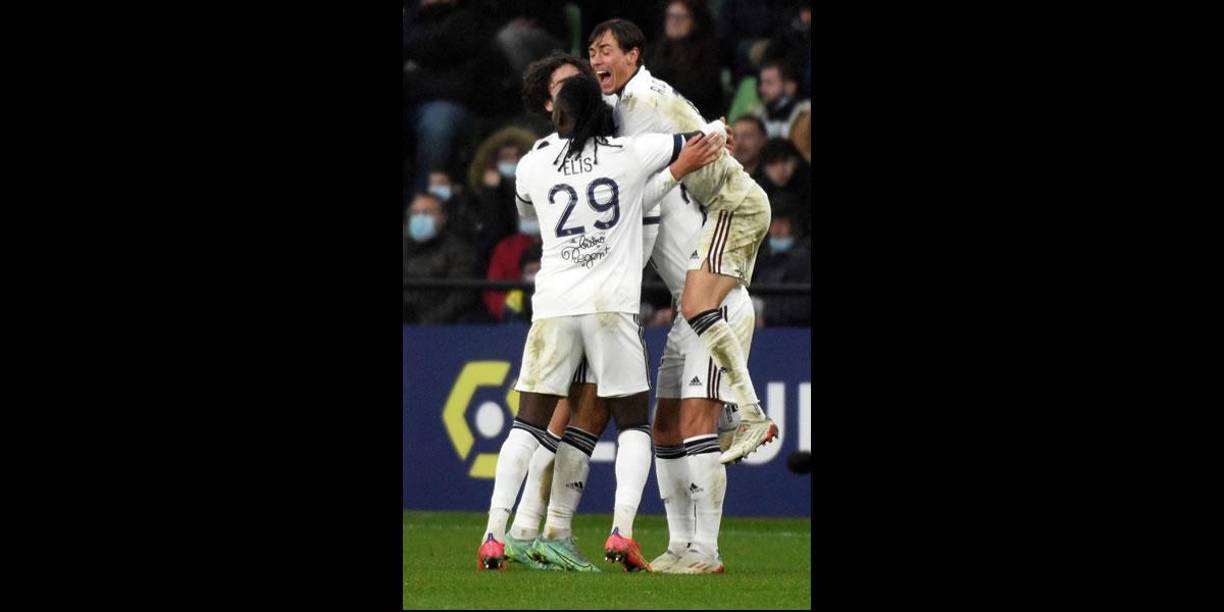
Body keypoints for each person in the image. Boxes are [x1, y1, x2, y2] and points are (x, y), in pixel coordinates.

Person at [477, 73, 722, 572]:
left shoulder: (535, 161)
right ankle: (621, 533)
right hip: (611, 308)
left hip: (553, 308)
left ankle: (492, 536)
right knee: (632, 423)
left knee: (526, 424)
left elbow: (525, 205)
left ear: (557, 114)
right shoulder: (628, 153)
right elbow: (698, 138)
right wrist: (705, 142)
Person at [587, 18, 775, 573]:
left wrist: (706, 140)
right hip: (688, 303)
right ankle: (680, 546)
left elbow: (653, 176)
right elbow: (686, 126)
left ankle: (711, 544)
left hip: (716, 299)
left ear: (633, 55)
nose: (598, 59)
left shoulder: (640, 119)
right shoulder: (633, 125)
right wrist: (711, 129)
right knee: (665, 428)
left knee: (694, 423)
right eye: (592, 51)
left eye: (605, 51)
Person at [402, 192, 480, 323]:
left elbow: (461, 296)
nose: (419, 217)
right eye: (415, 213)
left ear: (443, 217)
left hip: (440, 328)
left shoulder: (459, 250)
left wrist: (427, 322)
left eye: (427, 213)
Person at [643, 0, 723, 121]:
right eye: (671, 16)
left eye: (681, 17)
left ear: (695, 22)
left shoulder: (708, 53)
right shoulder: (654, 51)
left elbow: (701, 92)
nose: (674, 22)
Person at [753, 59, 810, 140]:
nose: (762, 89)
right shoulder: (758, 115)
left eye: (769, 83)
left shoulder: (806, 115)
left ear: (790, 87)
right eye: (762, 83)